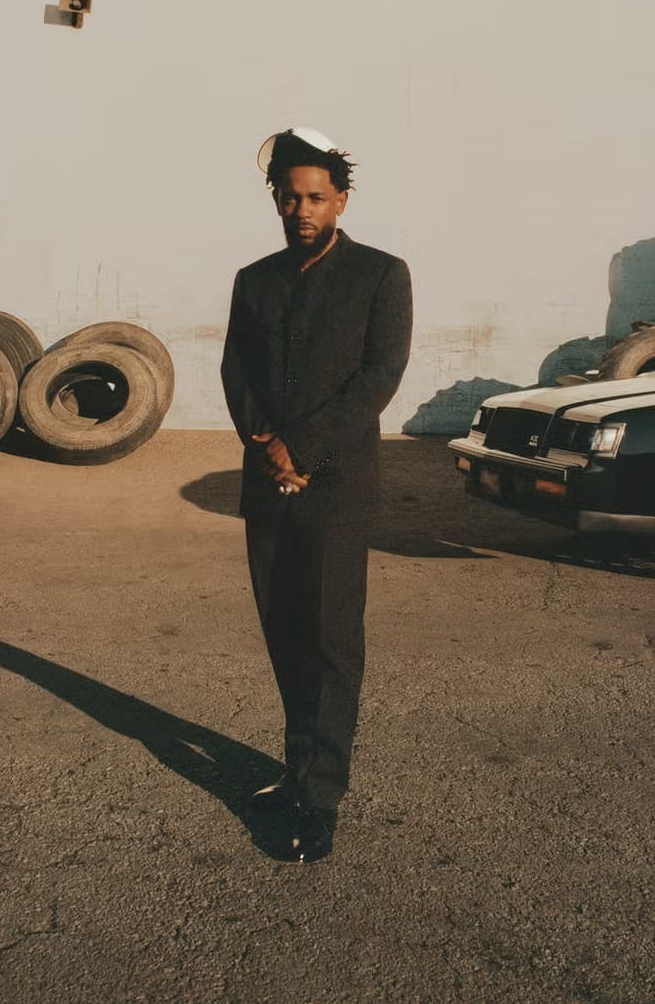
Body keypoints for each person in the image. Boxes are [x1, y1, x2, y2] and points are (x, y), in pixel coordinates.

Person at [220, 126, 413, 862]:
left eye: (315, 197)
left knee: (331, 641)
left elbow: (377, 377)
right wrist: (267, 443)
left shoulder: (381, 275)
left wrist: (301, 448)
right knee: (284, 632)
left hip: (335, 487)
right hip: (268, 486)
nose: (302, 210)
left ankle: (320, 796)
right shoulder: (254, 279)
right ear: (275, 197)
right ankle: (295, 763)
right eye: (290, 196)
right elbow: (238, 372)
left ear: (341, 198)